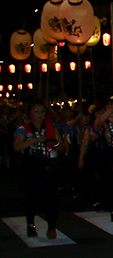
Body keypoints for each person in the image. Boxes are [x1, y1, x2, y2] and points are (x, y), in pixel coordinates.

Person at [14, 100, 67, 238]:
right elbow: (17, 146)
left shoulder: (51, 127)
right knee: (31, 196)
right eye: (36, 111)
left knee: (51, 197)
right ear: (30, 113)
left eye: (42, 111)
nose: (39, 114)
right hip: (31, 165)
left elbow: (62, 147)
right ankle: (31, 224)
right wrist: (33, 141)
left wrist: (55, 144)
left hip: (49, 163)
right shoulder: (23, 129)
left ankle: (52, 227)